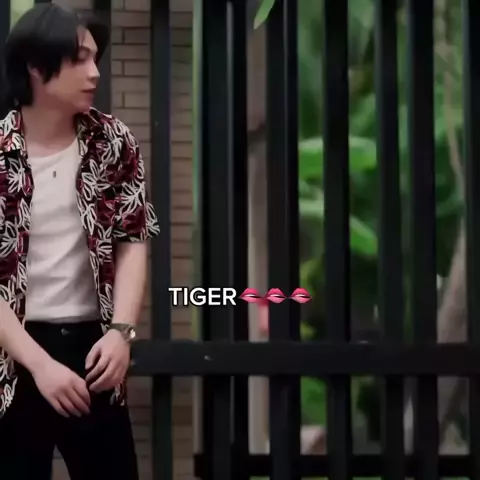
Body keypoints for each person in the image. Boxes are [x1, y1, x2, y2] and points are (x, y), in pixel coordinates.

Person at [0, 4, 159, 479]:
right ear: (36, 66)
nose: (95, 72)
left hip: (95, 349)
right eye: (79, 59)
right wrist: (39, 365)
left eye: (95, 57)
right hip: (12, 355)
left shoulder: (113, 142)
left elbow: (133, 239)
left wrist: (122, 332)